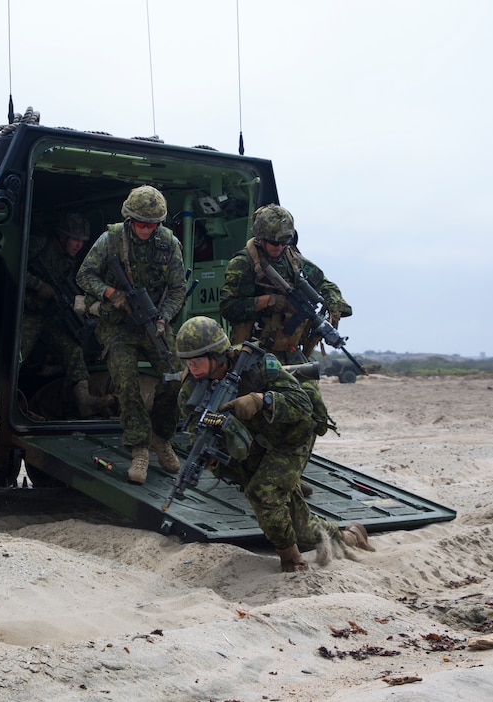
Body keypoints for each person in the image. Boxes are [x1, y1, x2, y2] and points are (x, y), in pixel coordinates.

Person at [174, 316, 373, 572]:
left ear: (217, 355)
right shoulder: (190, 392)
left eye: (197, 360)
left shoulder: (258, 364)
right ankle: (351, 537)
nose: (192, 367)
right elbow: (195, 431)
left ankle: (291, 561)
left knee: (263, 493)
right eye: (187, 362)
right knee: (300, 529)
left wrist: (261, 400)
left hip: (289, 438)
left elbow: (302, 404)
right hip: (250, 447)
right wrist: (207, 454)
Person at [76, 185, 186, 484]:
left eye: (153, 225)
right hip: (117, 325)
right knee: (126, 383)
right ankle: (139, 449)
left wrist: (164, 318)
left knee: (176, 378)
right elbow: (84, 275)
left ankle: (161, 438)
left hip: (155, 323)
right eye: (141, 224)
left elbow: (177, 288)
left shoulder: (168, 243)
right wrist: (112, 294)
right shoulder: (110, 240)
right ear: (129, 219)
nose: (147, 230)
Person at [218, 204, 352, 365]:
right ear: (261, 238)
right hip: (255, 352)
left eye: (285, 241)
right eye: (274, 243)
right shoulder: (243, 263)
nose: (280, 247)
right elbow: (228, 307)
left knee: (309, 390)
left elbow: (325, 284)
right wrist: (269, 301)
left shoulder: (293, 259)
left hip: (291, 351)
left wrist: (334, 307)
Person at [20, 212, 112, 418]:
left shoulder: (70, 261)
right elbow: (14, 264)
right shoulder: (40, 245)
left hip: (48, 316)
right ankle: (5, 398)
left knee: (73, 349)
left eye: (82, 241)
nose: (79, 245)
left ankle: (84, 400)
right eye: (75, 239)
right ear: (62, 237)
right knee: (17, 354)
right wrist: (38, 285)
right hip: (27, 313)